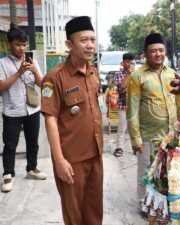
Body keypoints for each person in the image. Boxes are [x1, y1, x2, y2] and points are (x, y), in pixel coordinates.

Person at [41, 16, 103, 225]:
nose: (90, 45)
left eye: (93, 40)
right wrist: (59, 161)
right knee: (74, 216)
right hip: (71, 159)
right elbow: (50, 119)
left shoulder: (94, 73)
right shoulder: (55, 77)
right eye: (84, 40)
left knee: (94, 213)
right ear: (69, 44)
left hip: (95, 155)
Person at [126, 33, 177, 203]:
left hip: (171, 135)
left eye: (161, 50)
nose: (158, 54)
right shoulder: (137, 76)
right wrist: (135, 139)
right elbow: (132, 110)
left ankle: (163, 204)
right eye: (153, 51)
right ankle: (144, 204)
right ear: (146, 54)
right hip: (147, 136)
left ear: (166, 52)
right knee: (146, 173)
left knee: (168, 172)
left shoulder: (172, 74)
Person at [0, 26, 47, 193]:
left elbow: (42, 84)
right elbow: (1, 87)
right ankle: (7, 174)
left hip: (32, 109)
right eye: (18, 44)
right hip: (12, 111)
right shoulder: (3, 64)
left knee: (32, 142)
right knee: (10, 144)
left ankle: (32, 169)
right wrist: (19, 72)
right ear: (9, 44)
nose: (22, 48)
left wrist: (34, 71)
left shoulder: (32, 60)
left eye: (24, 45)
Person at [112, 53, 135, 157]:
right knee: (122, 127)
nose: (129, 64)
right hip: (123, 104)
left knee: (135, 128)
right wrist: (129, 75)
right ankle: (119, 148)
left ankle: (136, 147)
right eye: (127, 61)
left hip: (135, 105)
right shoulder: (118, 74)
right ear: (123, 63)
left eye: (131, 62)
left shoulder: (137, 73)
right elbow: (121, 88)